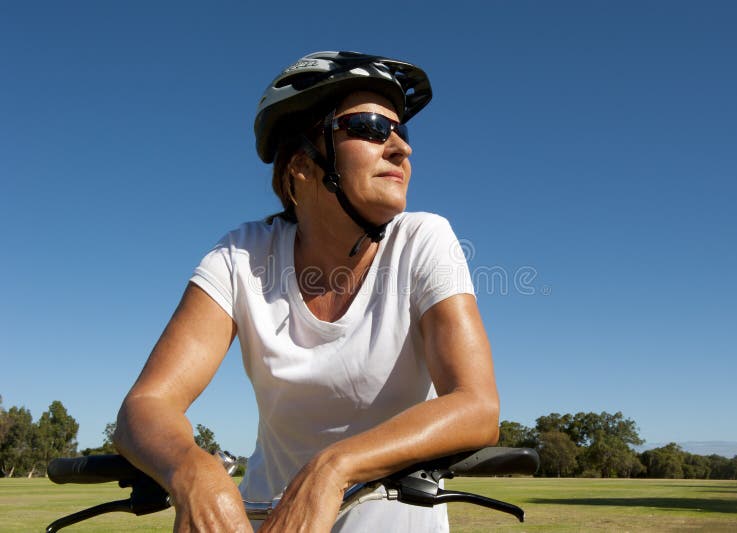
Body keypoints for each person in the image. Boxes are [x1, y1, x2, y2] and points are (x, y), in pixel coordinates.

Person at [113, 51, 500, 532]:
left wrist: (333, 468)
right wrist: (194, 472)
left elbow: (476, 405)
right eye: (371, 128)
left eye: (403, 131)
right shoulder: (242, 255)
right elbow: (146, 405)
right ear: (301, 164)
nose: (401, 148)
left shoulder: (424, 240)